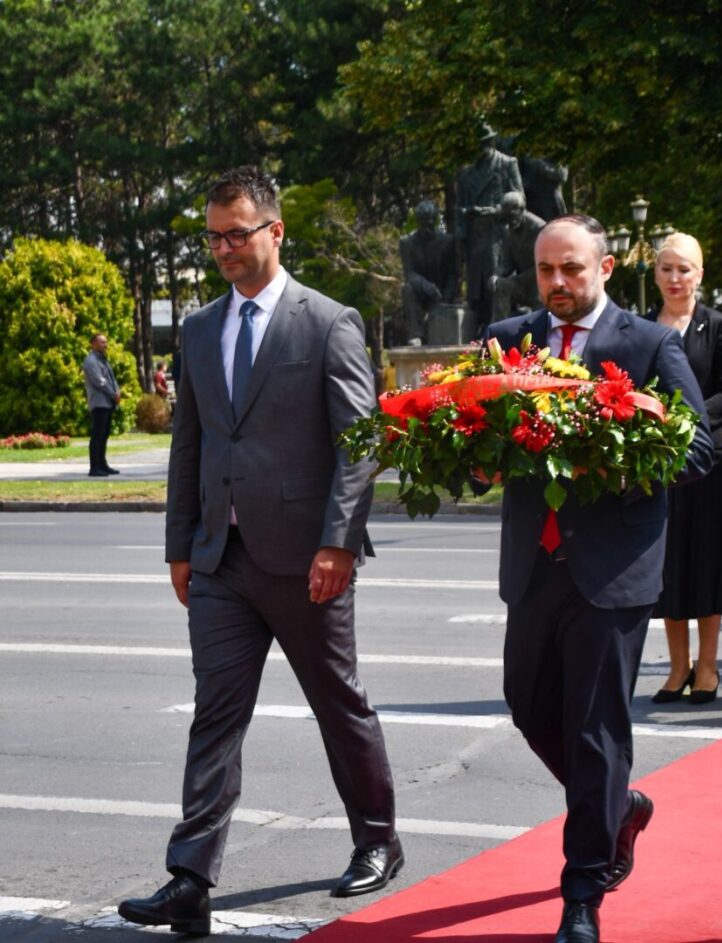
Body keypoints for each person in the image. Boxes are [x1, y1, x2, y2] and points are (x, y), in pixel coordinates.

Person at [117, 167, 400, 936]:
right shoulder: (202, 327)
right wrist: (180, 545)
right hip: (220, 560)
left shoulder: (328, 322)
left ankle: (377, 839)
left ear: (275, 230)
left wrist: (338, 544)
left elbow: (359, 446)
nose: (223, 248)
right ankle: (190, 877)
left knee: (337, 703)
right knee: (216, 715)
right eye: (213, 236)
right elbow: (190, 444)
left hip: (308, 559)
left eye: (237, 233)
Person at [482, 215, 712, 943]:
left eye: (572, 269)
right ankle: (617, 807)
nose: (557, 283)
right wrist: (476, 454)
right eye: (546, 269)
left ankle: (582, 892)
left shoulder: (648, 344)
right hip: (533, 561)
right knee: (527, 702)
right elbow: (481, 429)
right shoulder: (506, 339)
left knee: (595, 729)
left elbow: (698, 446)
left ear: (605, 268)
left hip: (613, 568)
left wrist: (610, 461)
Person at [645, 233, 722, 706]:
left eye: (685, 269)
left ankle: (707, 666)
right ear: (655, 273)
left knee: (707, 564)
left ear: (700, 274)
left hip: (709, 464)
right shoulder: (640, 326)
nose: (675, 278)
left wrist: (688, 421)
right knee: (667, 568)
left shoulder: (718, 326)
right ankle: (677, 667)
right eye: (667, 268)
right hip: (658, 464)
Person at [456, 123, 524, 336]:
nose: (482, 147)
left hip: (499, 232)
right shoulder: (467, 172)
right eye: (479, 143)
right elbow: (459, 205)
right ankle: (480, 328)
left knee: (496, 279)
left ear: (492, 142)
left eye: (486, 142)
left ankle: (499, 329)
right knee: (476, 285)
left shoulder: (507, 164)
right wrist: (464, 222)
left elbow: (519, 199)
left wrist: (494, 211)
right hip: (475, 233)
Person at [399, 199, 458, 345]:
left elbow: (453, 274)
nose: (427, 228)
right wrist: (425, 285)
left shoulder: (447, 241)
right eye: (423, 223)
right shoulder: (407, 242)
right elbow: (409, 273)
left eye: (430, 223)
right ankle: (416, 335)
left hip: (441, 295)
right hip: (420, 292)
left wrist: (446, 297)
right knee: (407, 289)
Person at [489, 190, 546, 320]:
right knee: (501, 286)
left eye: (512, 216)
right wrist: (496, 276)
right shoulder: (510, 231)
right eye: (507, 217)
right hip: (522, 284)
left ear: (521, 210)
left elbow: (547, 262)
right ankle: (499, 332)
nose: (510, 221)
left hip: (540, 282)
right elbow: (507, 264)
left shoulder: (539, 228)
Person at [82, 333, 122, 477]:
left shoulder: (104, 360)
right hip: (99, 402)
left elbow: (112, 379)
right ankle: (95, 467)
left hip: (108, 402)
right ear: (93, 343)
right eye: (102, 342)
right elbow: (99, 381)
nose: (105, 345)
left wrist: (117, 391)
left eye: (105, 342)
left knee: (104, 435)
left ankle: (102, 464)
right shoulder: (91, 361)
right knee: (97, 435)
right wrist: (113, 394)